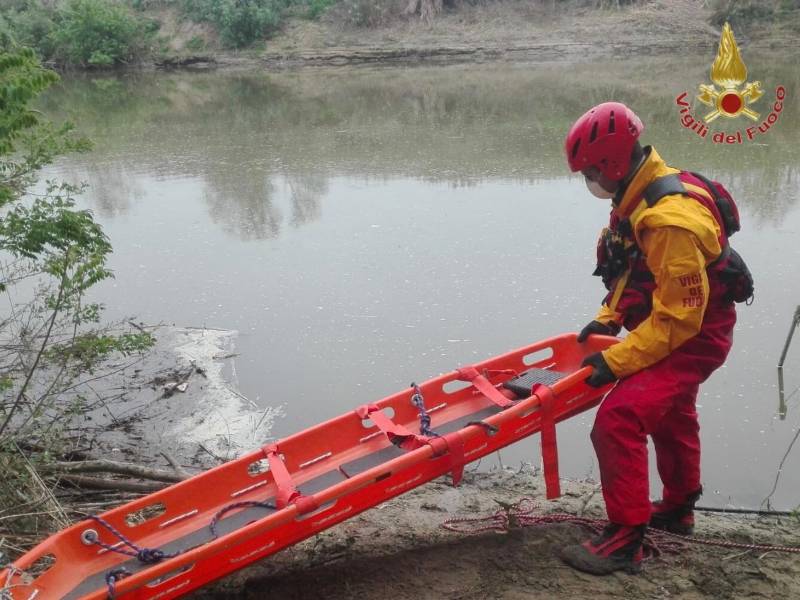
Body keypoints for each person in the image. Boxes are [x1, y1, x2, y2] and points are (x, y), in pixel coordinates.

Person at [558, 102, 744, 575]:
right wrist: (609, 319)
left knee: (618, 419)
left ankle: (626, 540)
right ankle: (679, 510)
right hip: (674, 325)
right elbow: (630, 267)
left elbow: (680, 320)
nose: (590, 181)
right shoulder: (640, 194)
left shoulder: (669, 221)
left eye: (591, 172)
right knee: (671, 413)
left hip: (694, 335)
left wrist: (616, 361)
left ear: (614, 163)